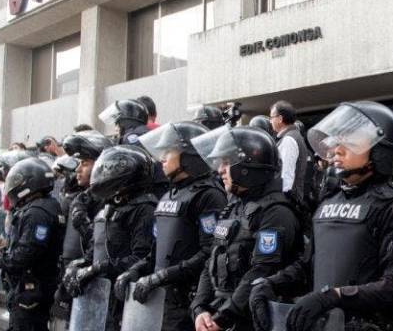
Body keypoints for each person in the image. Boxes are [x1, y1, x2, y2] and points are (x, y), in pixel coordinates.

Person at [249, 102, 393, 331]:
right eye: (336, 140)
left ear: (380, 149)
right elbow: (309, 264)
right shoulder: (329, 201)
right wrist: (271, 284)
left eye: (350, 141)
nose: (336, 149)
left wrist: (335, 296)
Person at [115, 122, 228, 330]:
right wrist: (135, 271)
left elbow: (209, 253)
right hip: (159, 300)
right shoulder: (169, 194)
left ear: (189, 155)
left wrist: (162, 276)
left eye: (169, 151)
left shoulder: (208, 195)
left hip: (186, 303)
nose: (162, 158)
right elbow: (157, 249)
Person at [190, 126, 302, 331]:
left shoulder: (276, 213)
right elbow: (211, 261)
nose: (220, 170)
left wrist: (222, 318)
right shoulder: (234, 206)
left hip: (248, 320)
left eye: (226, 163)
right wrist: (200, 308)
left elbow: (261, 270)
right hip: (219, 313)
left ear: (247, 167)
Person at [63, 146, 157, 330]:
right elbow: (97, 249)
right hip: (100, 299)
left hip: (124, 302)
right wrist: (79, 265)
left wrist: (96, 269)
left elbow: (141, 259)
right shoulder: (110, 206)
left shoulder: (145, 208)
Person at [0, 158, 65, 331]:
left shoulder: (37, 212)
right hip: (34, 284)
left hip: (32, 287)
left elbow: (26, 252)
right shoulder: (47, 205)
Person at [51, 131, 112, 321]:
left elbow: (100, 246)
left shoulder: (107, 201)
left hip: (93, 285)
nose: (78, 170)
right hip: (71, 277)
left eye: (85, 164)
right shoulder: (83, 197)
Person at [269, 101, 310, 209]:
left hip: (287, 202)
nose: (270, 121)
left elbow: (286, 177)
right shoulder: (293, 136)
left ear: (280, 119)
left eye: (271, 117)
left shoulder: (289, 139)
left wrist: (280, 202)